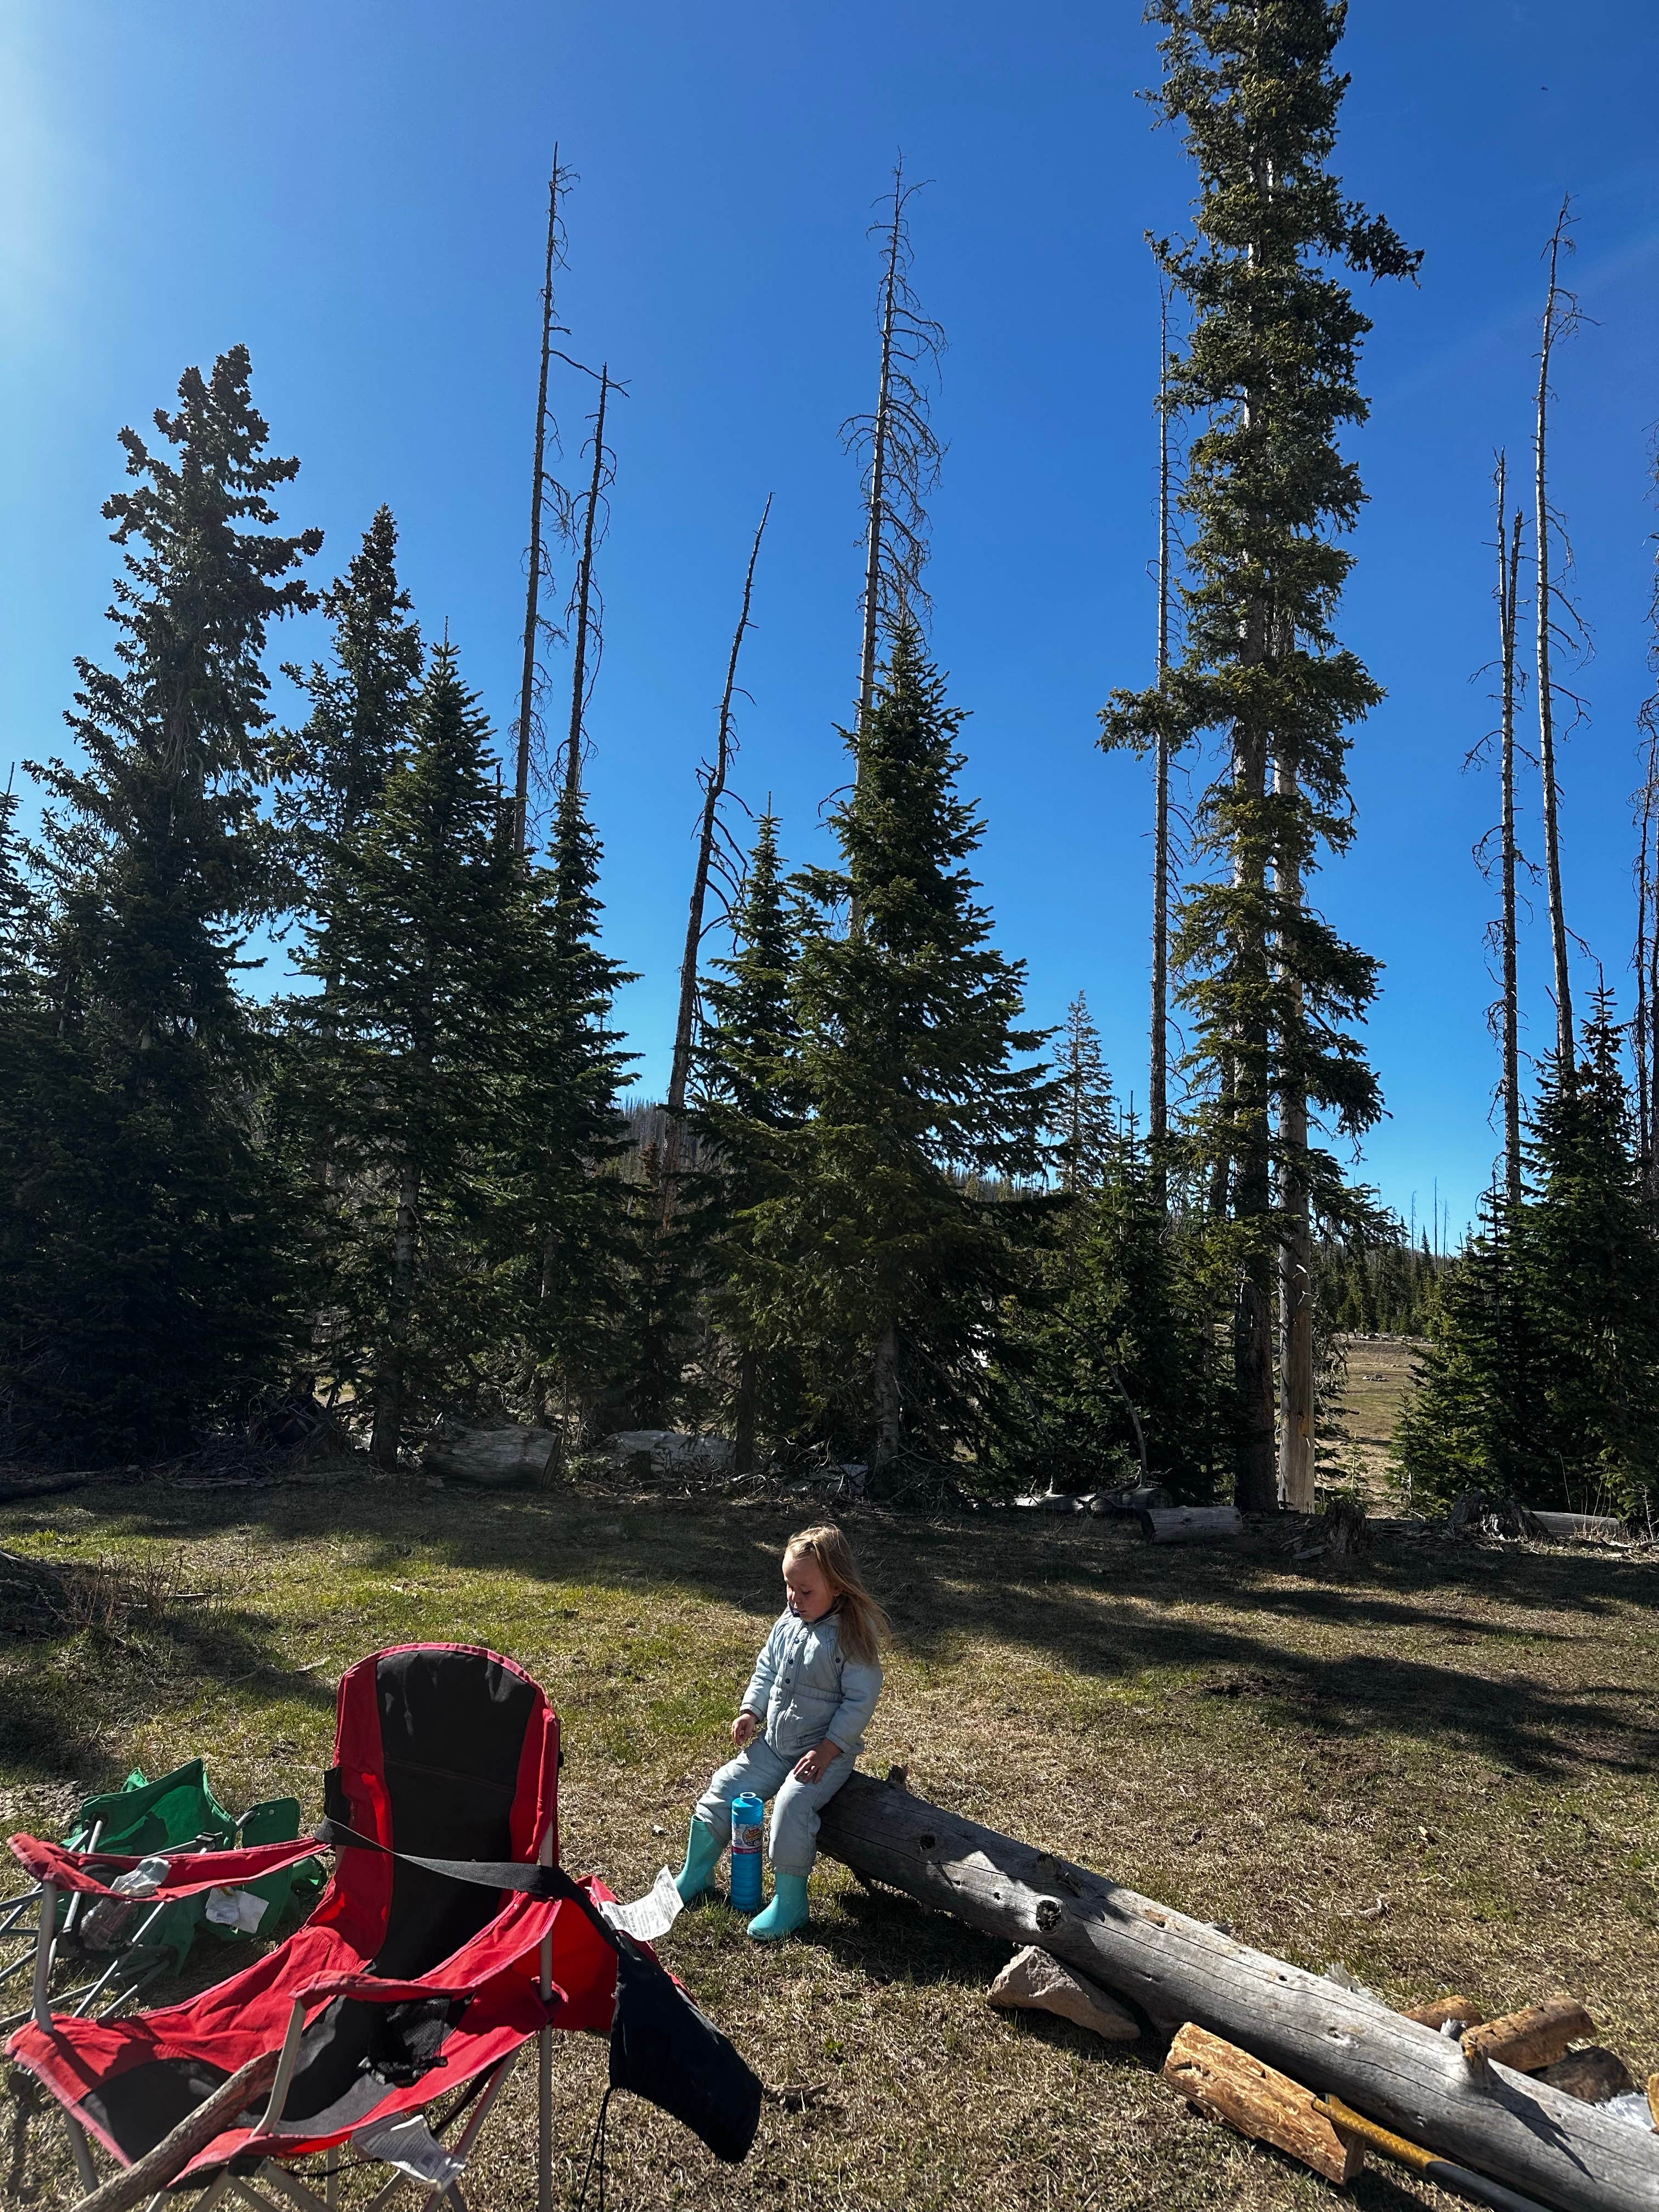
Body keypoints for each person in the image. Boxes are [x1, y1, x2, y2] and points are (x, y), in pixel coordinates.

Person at [674, 1522, 886, 1940]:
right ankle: (696, 1874)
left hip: (822, 1755)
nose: (795, 1598)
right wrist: (751, 1709)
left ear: (839, 1587)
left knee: (791, 1807)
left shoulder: (851, 1636)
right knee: (725, 1784)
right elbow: (767, 1666)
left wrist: (829, 1749)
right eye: (789, 1587)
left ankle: (791, 1901)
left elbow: (860, 1700)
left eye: (806, 1591)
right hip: (775, 1744)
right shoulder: (789, 1620)